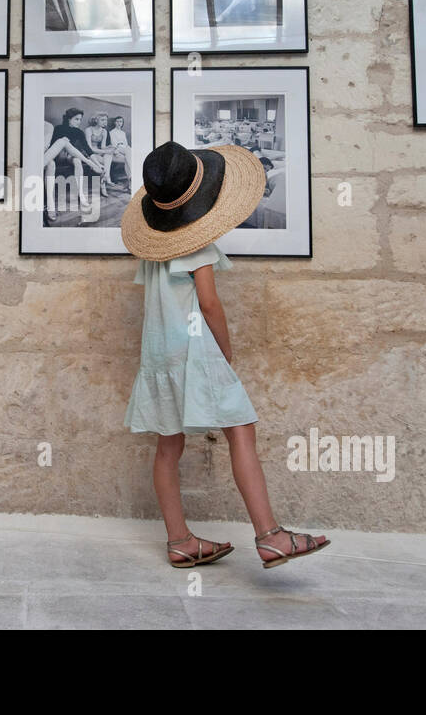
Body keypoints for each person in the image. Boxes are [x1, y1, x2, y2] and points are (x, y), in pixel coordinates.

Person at [119, 141, 330, 570]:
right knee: (241, 429)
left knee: (167, 445)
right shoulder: (195, 245)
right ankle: (271, 536)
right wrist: (226, 350)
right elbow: (210, 303)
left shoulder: (157, 250)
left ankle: (179, 540)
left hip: (160, 354)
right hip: (196, 350)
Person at [43, 107, 104, 224]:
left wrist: (97, 163)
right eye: (76, 119)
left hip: (71, 155)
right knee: (63, 142)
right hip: (57, 155)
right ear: (69, 119)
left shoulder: (79, 132)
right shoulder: (58, 128)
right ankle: (88, 163)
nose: (79, 122)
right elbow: (52, 146)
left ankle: (81, 194)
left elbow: (88, 150)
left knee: (77, 160)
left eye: (80, 120)